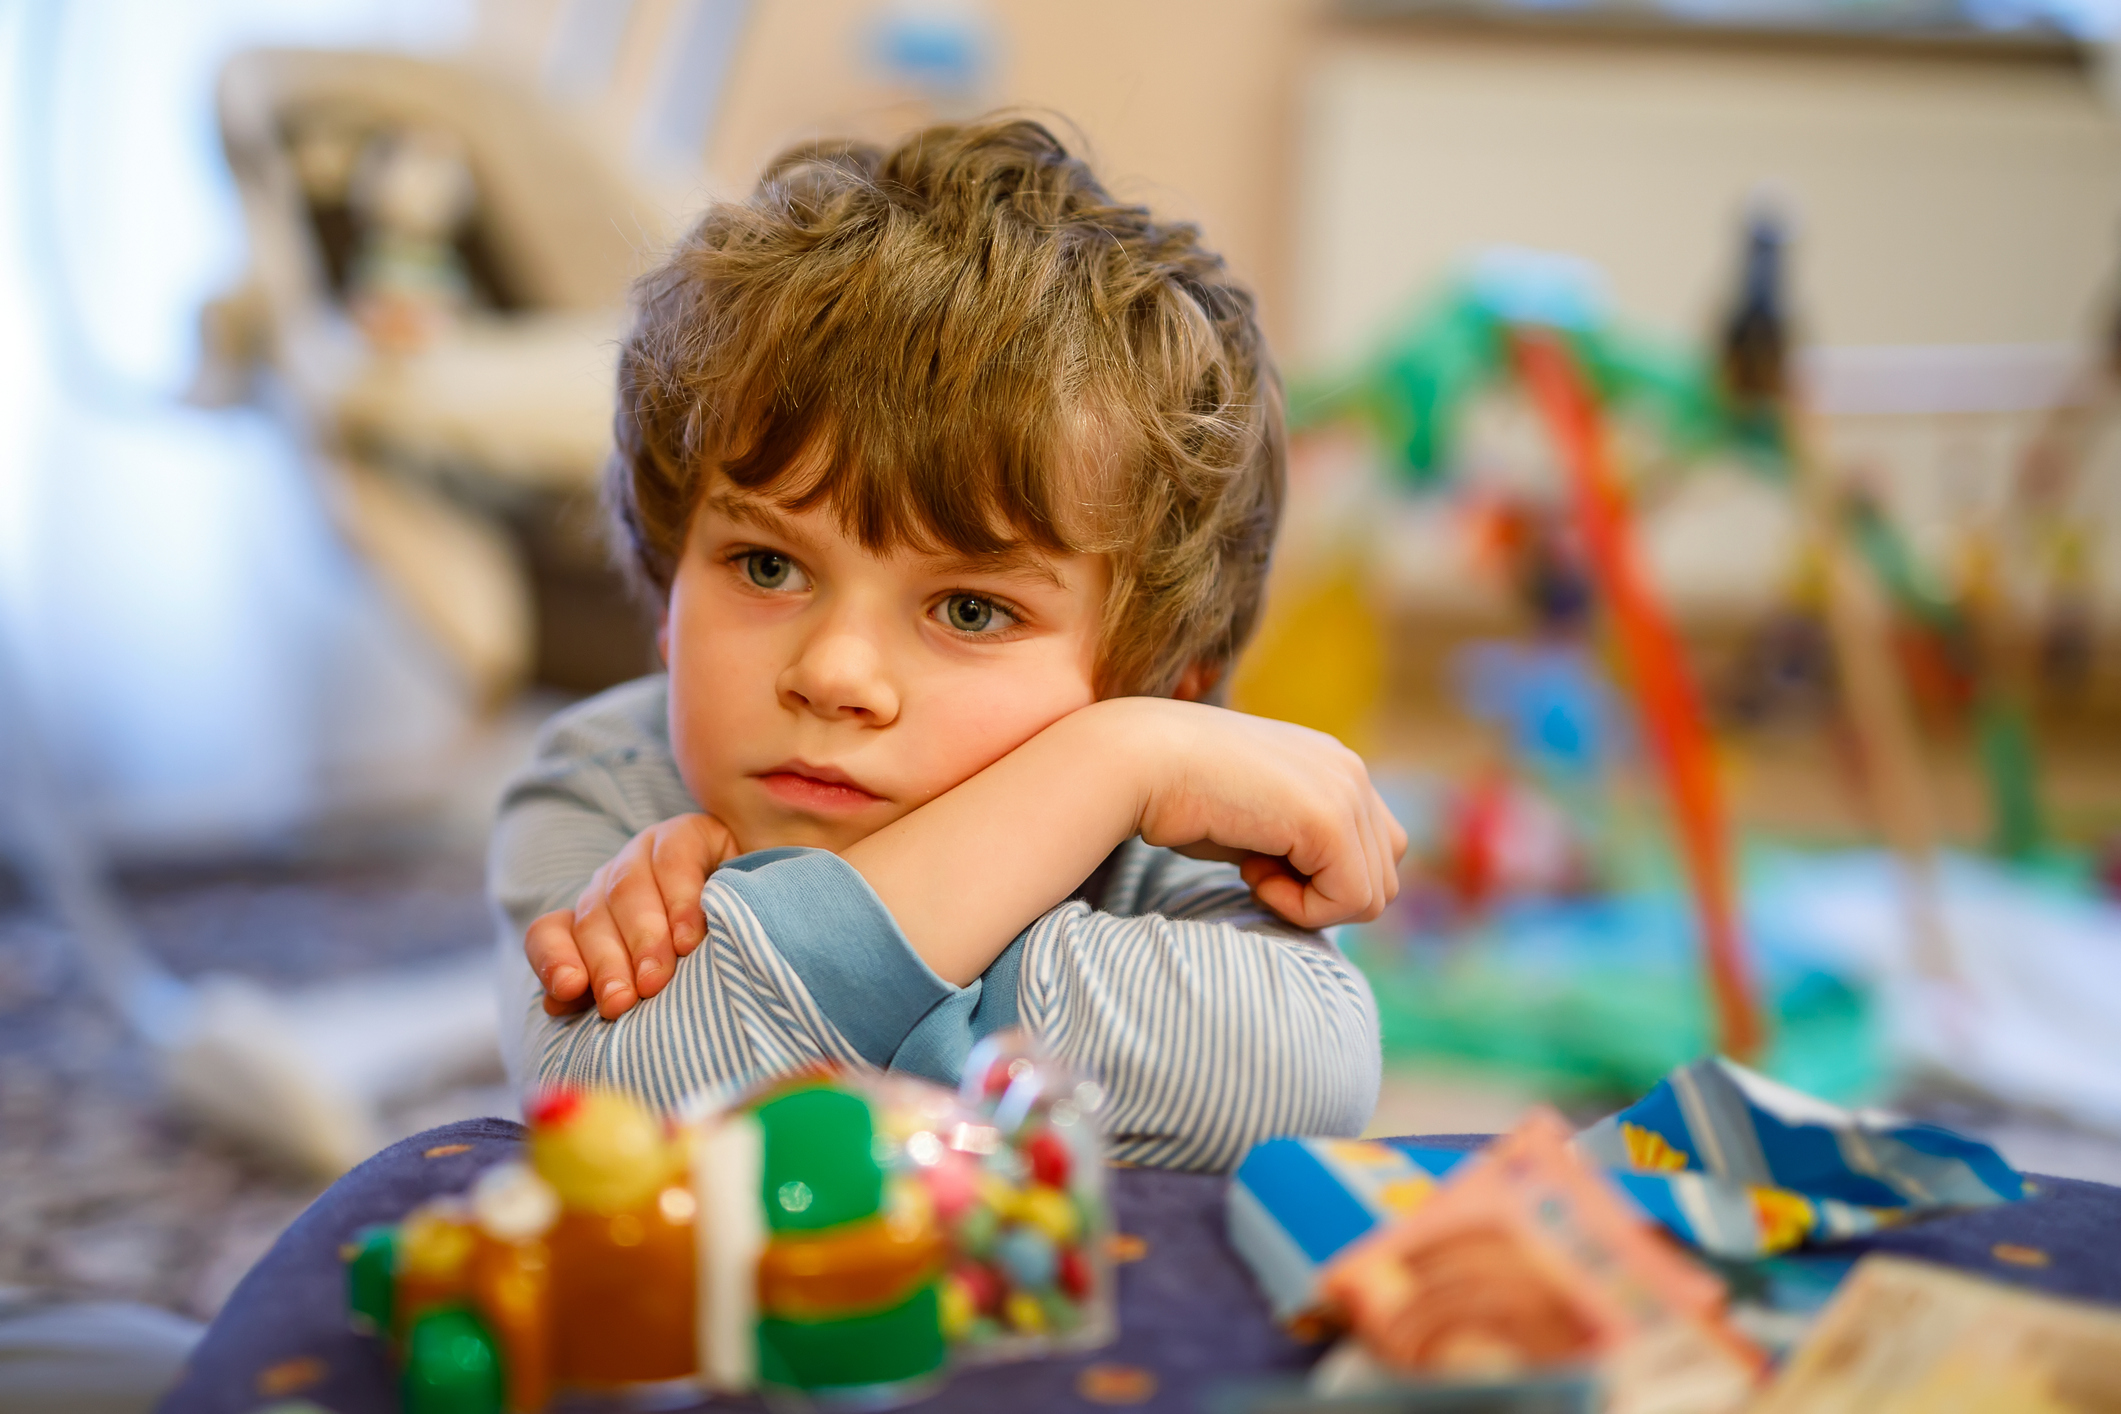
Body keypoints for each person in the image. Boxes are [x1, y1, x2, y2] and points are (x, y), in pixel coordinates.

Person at [490, 117, 1404, 1172]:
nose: (833, 675)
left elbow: (1294, 1070)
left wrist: (1112, 770)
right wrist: (1094, 774)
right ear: (667, 589)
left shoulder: (1168, 826)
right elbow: (630, 1088)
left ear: (1158, 686)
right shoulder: (602, 783)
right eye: (767, 566)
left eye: (970, 609)